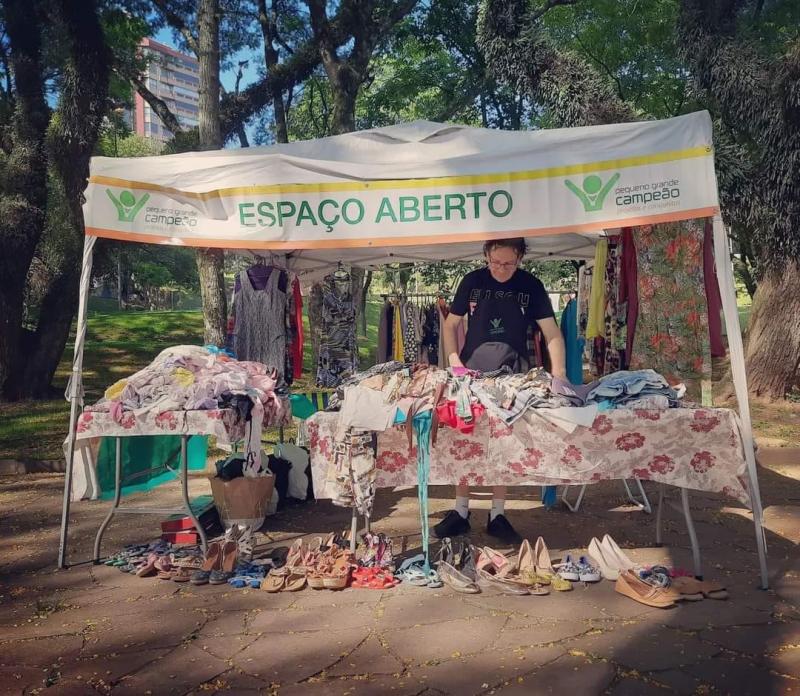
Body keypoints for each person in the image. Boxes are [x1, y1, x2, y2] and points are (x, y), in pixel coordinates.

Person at [433, 238, 567, 543]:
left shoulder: (531, 286)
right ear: (485, 257)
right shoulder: (472, 282)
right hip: (470, 373)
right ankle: (461, 511)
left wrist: (558, 375)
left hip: (514, 375)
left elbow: (552, 333)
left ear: (520, 257)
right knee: (464, 439)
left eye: (508, 263)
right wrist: (454, 361)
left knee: (504, 444)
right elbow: (450, 324)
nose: (501, 269)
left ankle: (498, 513)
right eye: (495, 263)